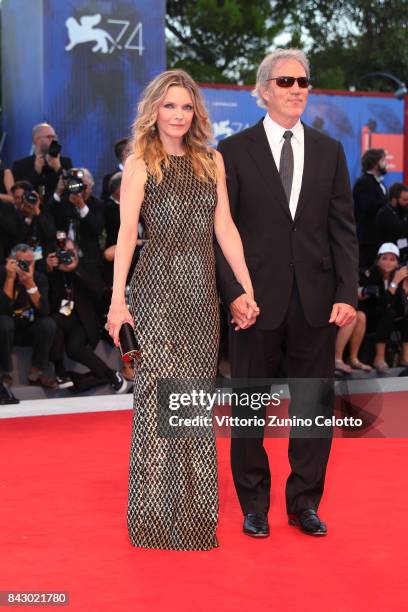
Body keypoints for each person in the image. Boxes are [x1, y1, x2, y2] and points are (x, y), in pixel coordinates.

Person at [106, 69, 258, 550]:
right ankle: (152, 520)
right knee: (155, 403)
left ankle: (192, 520)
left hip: (200, 298)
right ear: (154, 110)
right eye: (169, 105)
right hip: (154, 292)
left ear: (196, 114)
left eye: (186, 107)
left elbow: (226, 229)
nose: (177, 114)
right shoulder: (139, 163)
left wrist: (246, 289)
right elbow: (127, 235)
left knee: (192, 405)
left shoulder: (211, 161)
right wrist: (118, 301)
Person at [215, 48, 358, 538]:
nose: (296, 89)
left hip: (317, 299)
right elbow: (222, 230)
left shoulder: (329, 150)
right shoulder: (232, 151)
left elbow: (343, 228)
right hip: (254, 302)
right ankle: (254, 505)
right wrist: (233, 292)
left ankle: (304, 503)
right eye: (285, 81)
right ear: (264, 90)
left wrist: (348, 292)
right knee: (249, 406)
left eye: (303, 81)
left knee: (313, 405)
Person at [46, 239, 127, 392]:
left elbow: (101, 292)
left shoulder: (87, 266)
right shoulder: (54, 272)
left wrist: (76, 270)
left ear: (77, 252)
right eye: (62, 254)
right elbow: (50, 302)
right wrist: (51, 271)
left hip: (84, 321)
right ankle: (60, 370)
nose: (66, 257)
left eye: (70, 253)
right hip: (60, 320)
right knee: (53, 322)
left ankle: (109, 374)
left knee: (74, 348)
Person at [0, 244, 57, 389]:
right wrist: (10, 279)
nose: (26, 266)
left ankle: (36, 372)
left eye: (30, 262)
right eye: (22, 262)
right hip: (6, 330)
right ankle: (4, 373)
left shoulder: (40, 278)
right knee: (4, 323)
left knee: (48, 324)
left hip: (28, 327)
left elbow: (45, 311)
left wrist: (29, 283)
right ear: (11, 262)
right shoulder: (3, 274)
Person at [359, 243, 408, 372]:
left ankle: (405, 357)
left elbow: (400, 309)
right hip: (368, 316)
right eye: (384, 258)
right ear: (378, 260)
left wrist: (404, 289)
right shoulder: (370, 275)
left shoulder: (397, 277)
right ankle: (379, 358)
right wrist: (395, 283)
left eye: (392, 260)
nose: (388, 262)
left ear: (398, 264)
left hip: (389, 317)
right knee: (389, 313)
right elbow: (382, 303)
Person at [45, 168, 104, 264]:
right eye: (76, 186)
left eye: (84, 187)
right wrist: (58, 191)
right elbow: (46, 215)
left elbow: (97, 229)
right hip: (63, 254)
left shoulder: (98, 204)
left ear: (91, 185)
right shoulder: (63, 202)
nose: (81, 191)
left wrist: (81, 206)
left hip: (89, 259)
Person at [12, 123, 73, 202]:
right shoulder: (20, 165)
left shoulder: (65, 162)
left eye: (54, 137)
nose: (53, 140)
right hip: (32, 210)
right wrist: (36, 172)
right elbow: (19, 193)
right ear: (36, 140)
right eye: (49, 137)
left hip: (58, 210)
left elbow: (72, 188)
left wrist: (58, 169)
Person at [353, 148, 388, 268]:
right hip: (368, 239)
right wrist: (389, 201)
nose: (386, 163)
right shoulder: (364, 182)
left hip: (379, 237)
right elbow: (366, 207)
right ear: (374, 163)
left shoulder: (380, 183)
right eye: (383, 160)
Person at [376, 182, 408, 263]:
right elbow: (399, 227)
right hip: (389, 258)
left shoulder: (403, 211)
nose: (407, 202)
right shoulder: (385, 214)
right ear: (394, 200)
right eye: (404, 200)